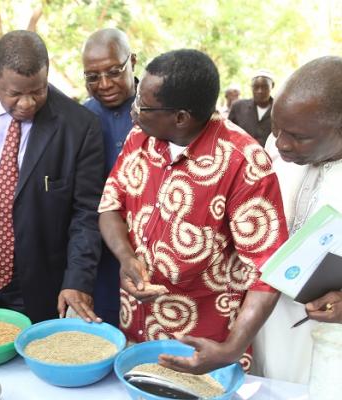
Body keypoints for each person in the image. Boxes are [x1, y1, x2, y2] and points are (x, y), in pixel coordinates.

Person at [98, 49, 288, 374]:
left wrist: (230, 349)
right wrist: (126, 258)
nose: (134, 110)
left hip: (203, 345)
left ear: (181, 118)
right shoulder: (139, 137)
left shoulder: (243, 162)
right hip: (137, 329)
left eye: (143, 105)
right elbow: (110, 205)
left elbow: (268, 272)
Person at [0, 30, 104, 323]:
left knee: (35, 347)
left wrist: (77, 278)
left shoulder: (79, 126)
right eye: (14, 94)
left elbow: (86, 212)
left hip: (41, 272)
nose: (27, 103)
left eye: (37, 91)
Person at [253, 56, 342, 384]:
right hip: (268, 321)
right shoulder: (277, 152)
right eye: (276, 128)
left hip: (328, 338)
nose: (281, 143)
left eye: (297, 137)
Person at [82, 28, 137, 326]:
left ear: (133, 62)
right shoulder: (80, 118)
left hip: (159, 250)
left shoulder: (162, 110)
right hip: (101, 253)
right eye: (93, 77)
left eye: (114, 72)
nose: (104, 84)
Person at [228, 70, 274, 147]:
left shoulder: (280, 110)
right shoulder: (238, 107)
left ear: (272, 86)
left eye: (264, 87)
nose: (260, 91)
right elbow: (228, 133)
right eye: (256, 87)